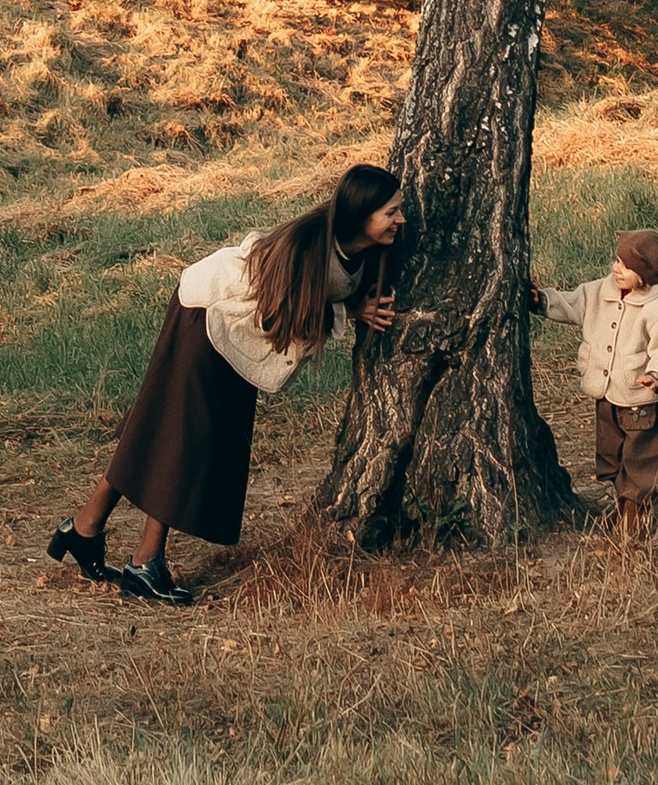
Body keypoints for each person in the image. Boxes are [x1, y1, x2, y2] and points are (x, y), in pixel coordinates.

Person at [50, 161, 403, 603]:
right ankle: (144, 563)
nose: (400, 219)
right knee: (184, 437)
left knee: (159, 424)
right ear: (361, 213)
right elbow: (281, 312)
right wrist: (348, 313)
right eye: (391, 212)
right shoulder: (306, 246)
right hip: (208, 318)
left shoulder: (360, 248)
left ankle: (85, 528)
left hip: (234, 334)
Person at [530, 218, 658, 540]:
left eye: (626, 266)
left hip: (639, 400)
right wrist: (542, 301)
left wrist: (657, 375)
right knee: (612, 455)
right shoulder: (601, 291)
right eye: (616, 260)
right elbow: (572, 303)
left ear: (646, 275)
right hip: (607, 395)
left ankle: (637, 517)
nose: (616, 268)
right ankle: (624, 504)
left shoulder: (657, 308)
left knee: (640, 458)